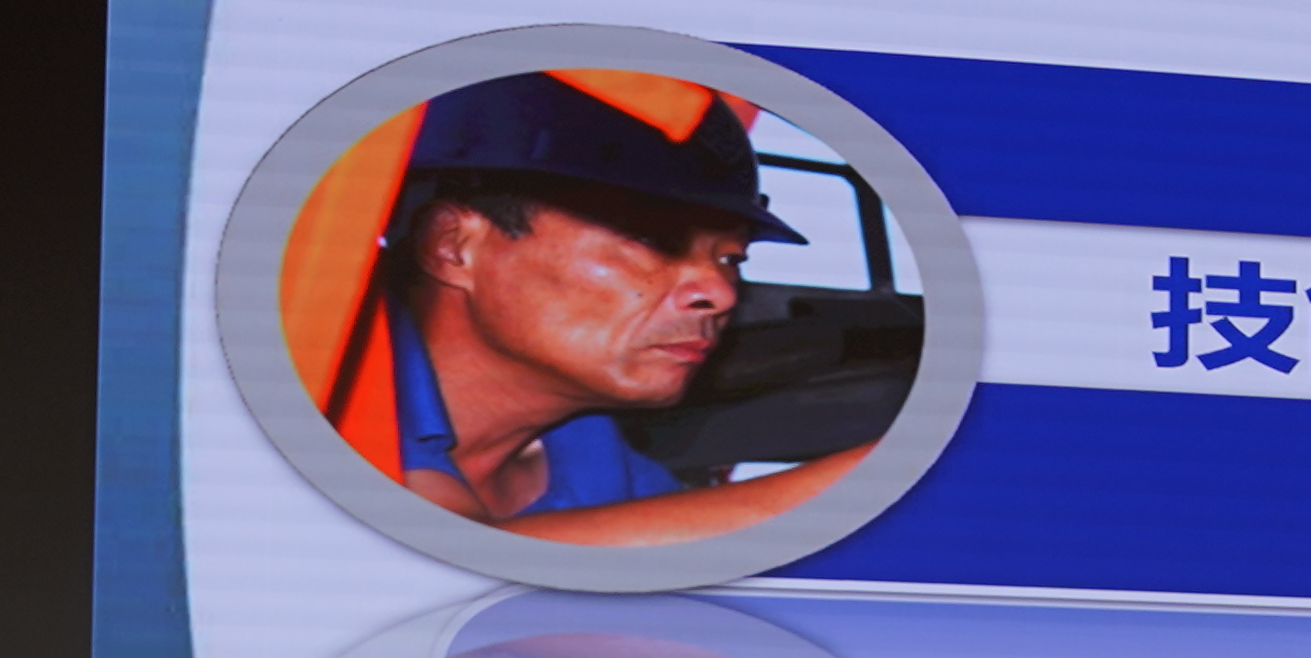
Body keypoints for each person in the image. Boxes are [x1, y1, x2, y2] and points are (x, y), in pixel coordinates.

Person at [281, 70, 877, 541]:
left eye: (730, 258)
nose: (720, 293)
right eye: (653, 241)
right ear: (454, 246)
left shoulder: (594, 456)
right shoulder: (324, 393)